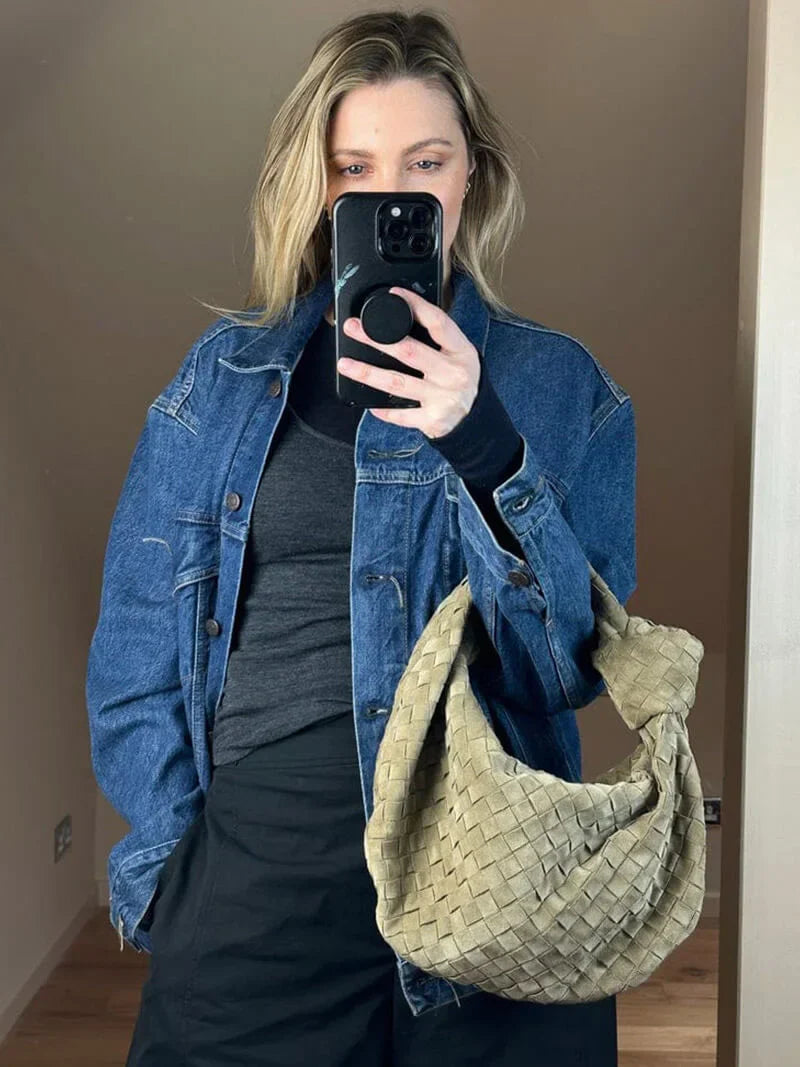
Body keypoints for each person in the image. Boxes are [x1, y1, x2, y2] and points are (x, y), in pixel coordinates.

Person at [86, 8, 637, 1065]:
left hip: (496, 865)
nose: (393, 193)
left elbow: (564, 668)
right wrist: (172, 871)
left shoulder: (564, 389)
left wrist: (484, 444)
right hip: (263, 865)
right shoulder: (223, 377)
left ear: (471, 176)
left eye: (425, 162)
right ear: (317, 187)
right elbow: (136, 646)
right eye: (354, 168)